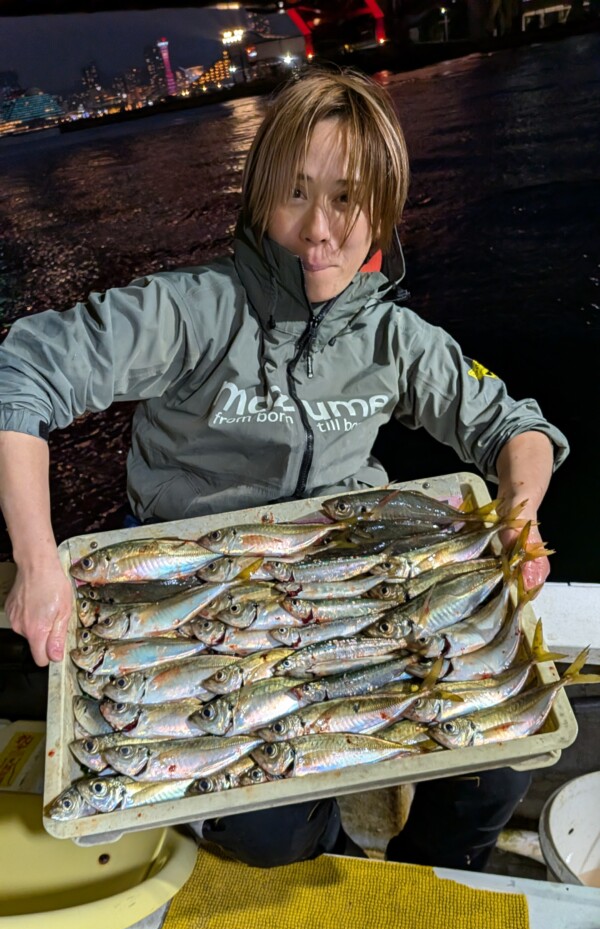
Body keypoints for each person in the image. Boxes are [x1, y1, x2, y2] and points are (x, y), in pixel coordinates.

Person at [0, 69, 568, 870]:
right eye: (296, 193)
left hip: (356, 576)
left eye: (347, 197)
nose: (319, 230)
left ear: (385, 207)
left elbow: (517, 428)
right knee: (272, 830)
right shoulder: (193, 312)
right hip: (194, 595)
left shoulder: (393, 339)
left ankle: (425, 872)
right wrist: (34, 558)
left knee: (506, 753)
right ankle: (318, 848)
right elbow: (21, 374)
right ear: (259, 195)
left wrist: (520, 509)